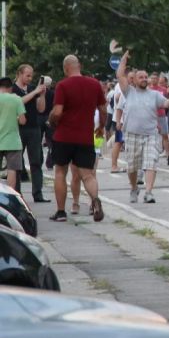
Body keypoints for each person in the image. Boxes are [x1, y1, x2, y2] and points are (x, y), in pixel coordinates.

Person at [49, 55, 106, 223]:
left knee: (60, 172)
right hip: (85, 137)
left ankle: (60, 212)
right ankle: (95, 200)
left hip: (64, 136)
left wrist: (52, 121)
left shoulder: (63, 85)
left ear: (66, 68)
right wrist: (101, 127)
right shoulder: (94, 84)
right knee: (87, 175)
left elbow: (58, 112)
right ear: (79, 66)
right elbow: (103, 110)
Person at [116, 53, 169, 204]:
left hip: (150, 135)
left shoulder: (154, 94)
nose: (144, 79)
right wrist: (124, 59)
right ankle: (134, 188)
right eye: (140, 77)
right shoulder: (128, 91)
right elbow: (119, 74)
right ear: (134, 80)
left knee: (151, 162)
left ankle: (148, 192)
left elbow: (167, 104)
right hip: (132, 134)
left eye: (145, 77)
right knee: (132, 167)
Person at [13, 64, 48, 202]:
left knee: (36, 161)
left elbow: (41, 108)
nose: (29, 78)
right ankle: (16, 193)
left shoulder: (33, 89)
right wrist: (34, 93)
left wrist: (42, 95)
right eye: (27, 75)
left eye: (31, 75)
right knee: (16, 162)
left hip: (34, 127)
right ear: (20, 74)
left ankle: (38, 193)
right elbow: (18, 103)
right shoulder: (13, 89)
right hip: (18, 129)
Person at [0, 78, 26, 191]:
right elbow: (22, 121)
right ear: (10, 87)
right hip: (13, 141)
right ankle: (11, 196)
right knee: (12, 170)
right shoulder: (16, 99)